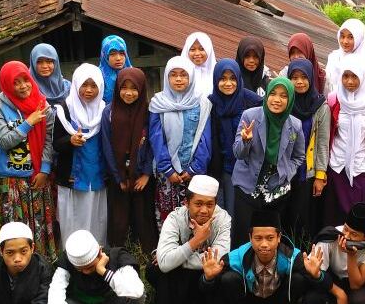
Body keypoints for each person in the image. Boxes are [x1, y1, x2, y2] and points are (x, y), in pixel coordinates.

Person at [199, 210, 326, 304]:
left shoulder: (292, 256)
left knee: (299, 279)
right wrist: (208, 278)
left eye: (270, 238)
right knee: (229, 278)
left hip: (278, 297)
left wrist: (316, 275)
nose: (264, 244)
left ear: (279, 238)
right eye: (258, 238)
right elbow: (204, 288)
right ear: (250, 238)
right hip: (248, 297)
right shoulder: (236, 257)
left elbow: (324, 284)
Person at [0, 61, 57, 260]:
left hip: (38, 177)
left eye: (25, 80)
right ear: (7, 84)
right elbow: (4, 141)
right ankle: (15, 266)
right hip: (12, 179)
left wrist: (45, 170)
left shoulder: (43, 105)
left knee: (39, 225)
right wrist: (29, 123)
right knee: (16, 229)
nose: (23, 86)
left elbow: (49, 140)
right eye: (16, 82)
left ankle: (42, 264)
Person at [231, 77, 305, 248]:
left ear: (290, 99)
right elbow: (238, 153)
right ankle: (241, 265)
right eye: (273, 94)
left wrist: (287, 172)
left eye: (283, 96)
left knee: (270, 239)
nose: (277, 100)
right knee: (243, 236)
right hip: (247, 186)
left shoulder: (295, 125)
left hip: (277, 190)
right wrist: (246, 141)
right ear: (266, 95)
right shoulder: (250, 116)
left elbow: (299, 156)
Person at [147, 175, 231, 304]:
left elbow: (218, 259)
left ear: (215, 204)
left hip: (206, 275)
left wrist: (176, 259)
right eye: (198, 204)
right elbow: (164, 264)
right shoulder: (174, 218)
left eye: (209, 205)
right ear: (186, 203)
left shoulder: (223, 219)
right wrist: (196, 241)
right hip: (182, 277)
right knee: (154, 269)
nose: (204, 210)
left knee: (222, 271)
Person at [149, 56, 213, 222]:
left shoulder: (202, 103)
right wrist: (168, 169)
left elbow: (205, 139)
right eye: (173, 74)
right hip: (166, 173)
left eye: (183, 74)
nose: (178, 79)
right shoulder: (158, 103)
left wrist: (194, 169)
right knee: (168, 218)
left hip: (194, 172)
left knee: (196, 217)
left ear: (191, 77)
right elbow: (156, 138)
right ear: (167, 77)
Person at [326, 58, 365, 226]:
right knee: (335, 218)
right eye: (345, 76)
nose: (349, 82)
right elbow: (328, 134)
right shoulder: (334, 99)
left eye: (354, 76)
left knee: (358, 219)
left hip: (361, 169)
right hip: (337, 167)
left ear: (363, 76)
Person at [53, 64, 111, 245]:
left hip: (96, 177)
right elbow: (56, 144)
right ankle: (72, 255)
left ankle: (95, 254)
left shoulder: (104, 110)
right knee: (73, 220)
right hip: (73, 179)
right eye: (84, 85)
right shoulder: (65, 110)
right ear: (76, 84)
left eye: (94, 86)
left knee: (96, 220)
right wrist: (70, 141)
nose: (89, 90)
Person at [304, 203, 365, 304]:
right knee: (313, 299)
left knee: (362, 303)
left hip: (356, 285)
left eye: (354, 234)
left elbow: (356, 284)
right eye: (346, 229)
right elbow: (316, 271)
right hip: (332, 279)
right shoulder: (331, 236)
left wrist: (351, 255)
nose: (346, 236)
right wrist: (339, 293)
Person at [103, 67, 156, 253]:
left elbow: (152, 145)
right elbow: (106, 146)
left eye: (134, 88)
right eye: (123, 87)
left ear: (142, 89)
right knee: (119, 216)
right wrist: (118, 177)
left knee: (143, 214)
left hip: (141, 173)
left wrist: (147, 174)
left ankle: (148, 253)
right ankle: (117, 253)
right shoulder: (109, 112)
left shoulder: (149, 112)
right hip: (117, 174)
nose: (128, 93)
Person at [207, 59, 261, 215]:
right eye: (223, 79)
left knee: (251, 213)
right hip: (226, 169)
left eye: (232, 78)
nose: (228, 83)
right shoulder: (211, 103)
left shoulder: (253, 101)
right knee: (230, 213)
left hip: (250, 168)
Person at [284, 58, 330, 240]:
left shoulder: (320, 106)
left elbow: (323, 143)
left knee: (302, 217)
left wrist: (320, 175)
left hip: (306, 173)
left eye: (304, 77)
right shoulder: (284, 102)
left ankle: (300, 252)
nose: (299, 82)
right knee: (284, 214)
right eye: (294, 78)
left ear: (311, 78)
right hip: (284, 170)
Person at [324, 18, 365, 93]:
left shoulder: (363, 65)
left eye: (351, 37)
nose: (345, 41)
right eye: (342, 36)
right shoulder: (333, 57)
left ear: (359, 38)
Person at [181, 31, 217, 97]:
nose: (197, 53)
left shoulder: (218, 72)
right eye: (192, 49)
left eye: (202, 49)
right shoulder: (179, 73)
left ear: (209, 50)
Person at [99, 35, 132, 103]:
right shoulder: (97, 76)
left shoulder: (133, 75)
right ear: (105, 55)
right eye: (113, 54)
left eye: (122, 53)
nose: (118, 58)